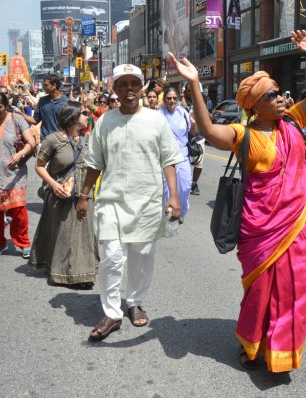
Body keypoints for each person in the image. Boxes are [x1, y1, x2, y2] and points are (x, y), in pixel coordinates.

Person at [171, 30, 306, 372]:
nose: (280, 98)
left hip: (297, 225)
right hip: (260, 228)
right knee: (260, 293)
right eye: (271, 94)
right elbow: (208, 129)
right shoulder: (243, 135)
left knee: (300, 289)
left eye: (280, 92)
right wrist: (195, 86)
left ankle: (282, 350)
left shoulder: (293, 121)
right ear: (254, 105)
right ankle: (252, 343)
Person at [76, 63, 183, 341]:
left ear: (142, 87)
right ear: (115, 89)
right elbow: (94, 163)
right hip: (111, 201)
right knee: (112, 257)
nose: (128, 89)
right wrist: (84, 195)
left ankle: (134, 301)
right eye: (122, 84)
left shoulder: (156, 120)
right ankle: (112, 312)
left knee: (142, 257)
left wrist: (173, 196)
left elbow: (169, 160)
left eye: (133, 83)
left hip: (147, 201)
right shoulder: (104, 122)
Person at [29, 101, 98, 288]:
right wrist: (53, 184)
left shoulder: (89, 140)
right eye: (83, 114)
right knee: (65, 235)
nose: (87, 117)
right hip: (60, 196)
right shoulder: (53, 140)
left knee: (82, 235)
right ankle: (60, 272)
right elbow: (39, 166)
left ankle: (82, 274)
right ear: (74, 118)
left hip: (83, 195)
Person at [0, 92, 37, 258]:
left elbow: (31, 142)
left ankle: (23, 242)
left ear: (6, 106)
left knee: (19, 211)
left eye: (0, 107)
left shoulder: (17, 120)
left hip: (14, 174)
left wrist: (19, 155)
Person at [159, 87, 192, 220]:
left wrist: (195, 125)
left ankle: (182, 211)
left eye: (174, 98)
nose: (171, 101)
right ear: (164, 99)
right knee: (167, 187)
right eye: (168, 98)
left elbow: (191, 132)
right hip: (167, 156)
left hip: (183, 155)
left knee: (185, 186)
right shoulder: (158, 115)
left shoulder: (183, 112)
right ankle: (169, 212)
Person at [20, 74, 69, 142]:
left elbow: (70, 124)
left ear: (54, 85)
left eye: (46, 85)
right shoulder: (42, 101)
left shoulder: (66, 102)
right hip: (45, 141)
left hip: (61, 141)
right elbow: (35, 121)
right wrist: (21, 113)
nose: (43, 87)